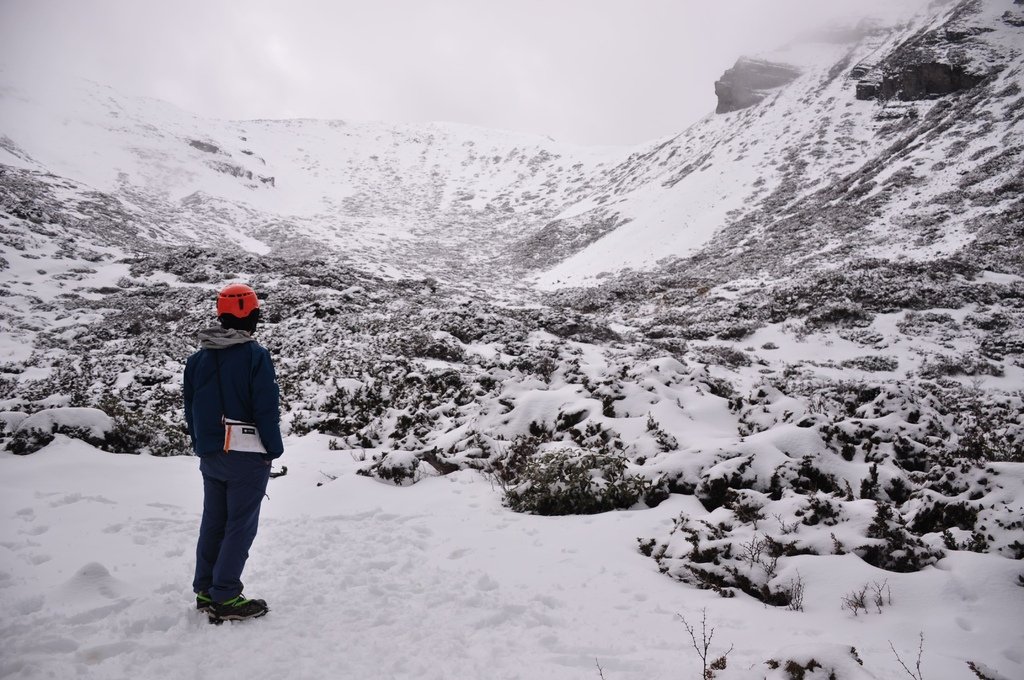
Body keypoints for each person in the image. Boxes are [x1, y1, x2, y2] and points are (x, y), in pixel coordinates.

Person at [183, 283, 284, 621]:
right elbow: (265, 408)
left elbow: (190, 408)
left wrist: (202, 445)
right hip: (246, 454)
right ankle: (225, 596)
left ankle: (205, 589)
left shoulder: (197, 360)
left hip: (210, 454)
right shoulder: (255, 356)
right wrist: (274, 448)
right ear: (251, 316)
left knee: (214, 521)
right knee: (240, 525)